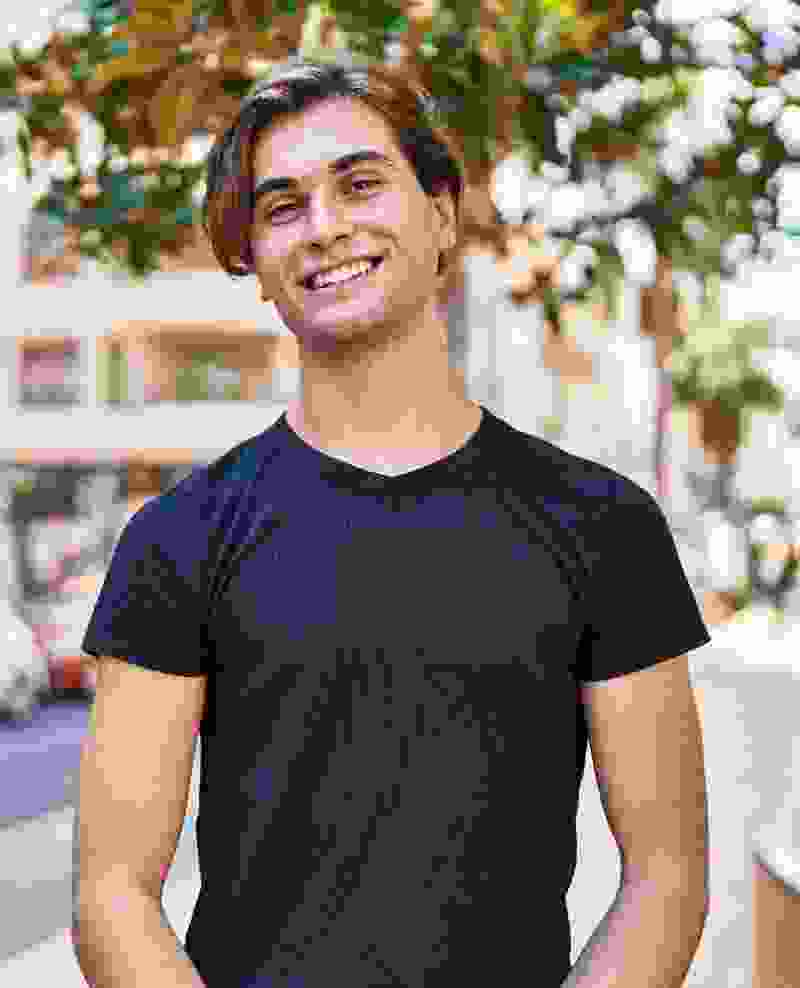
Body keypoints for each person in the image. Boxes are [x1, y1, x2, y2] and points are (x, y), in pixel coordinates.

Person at [75, 58, 712, 988]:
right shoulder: (178, 540)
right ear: (256, 262)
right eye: (282, 206)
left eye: (361, 184)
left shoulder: (606, 528)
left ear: (442, 215)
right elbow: (114, 896)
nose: (324, 226)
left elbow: (666, 875)